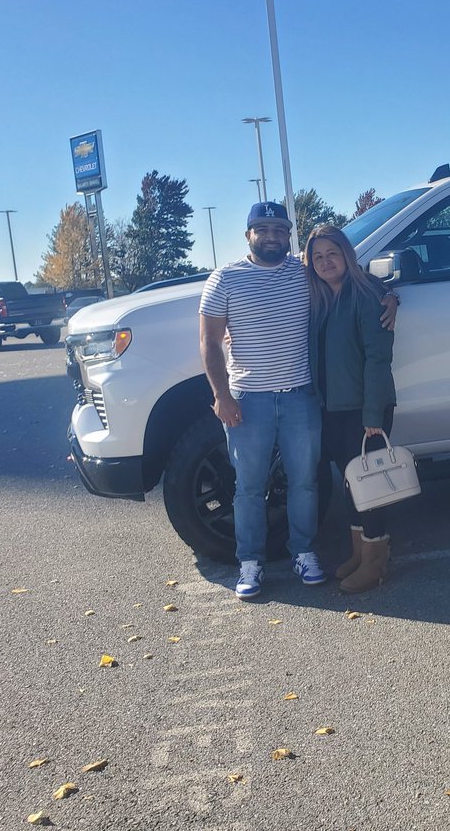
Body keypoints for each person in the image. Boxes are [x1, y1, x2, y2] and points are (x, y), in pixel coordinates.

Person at [198, 202, 328, 600]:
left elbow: (348, 281)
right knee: (248, 487)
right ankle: (250, 562)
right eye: (263, 229)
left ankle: (304, 552)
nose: (271, 235)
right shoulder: (225, 279)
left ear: (288, 234)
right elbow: (209, 342)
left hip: (300, 397)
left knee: (305, 482)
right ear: (248, 234)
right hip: (248, 400)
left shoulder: (305, 273)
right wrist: (221, 396)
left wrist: (387, 298)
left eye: (279, 229)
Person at [304, 224, 398, 594]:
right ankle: (360, 553)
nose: (326, 261)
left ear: (347, 254)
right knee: (351, 485)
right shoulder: (319, 298)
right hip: (333, 408)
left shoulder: (366, 293)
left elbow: (378, 359)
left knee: (371, 487)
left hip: (365, 411)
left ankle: (376, 563)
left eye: (333, 253)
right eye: (318, 256)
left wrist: (373, 416)